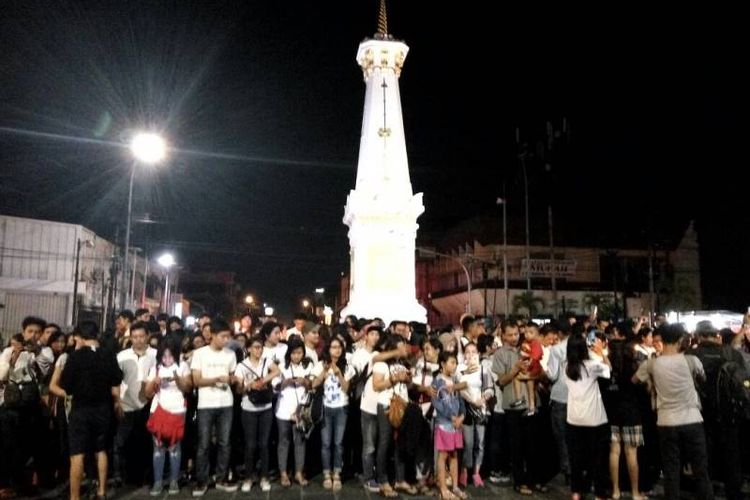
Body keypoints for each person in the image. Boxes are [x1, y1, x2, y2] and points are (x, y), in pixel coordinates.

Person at [633, 323, 713, 500]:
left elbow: (634, 380)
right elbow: (702, 380)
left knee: (671, 470)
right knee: (700, 469)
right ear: (679, 340)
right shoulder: (691, 361)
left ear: (662, 339)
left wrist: (651, 383)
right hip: (692, 419)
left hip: (666, 422)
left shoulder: (651, 364)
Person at [58, 321, 123, 500]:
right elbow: (117, 377)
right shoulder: (108, 354)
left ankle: (75, 496)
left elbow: (66, 385)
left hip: (80, 409)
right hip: (103, 408)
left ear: (80, 336)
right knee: (100, 450)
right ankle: (101, 491)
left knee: (77, 453)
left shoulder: (76, 356)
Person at [190, 319, 239, 496]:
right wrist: (216, 379)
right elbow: (196, 381)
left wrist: (232, 379)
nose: (226, 340)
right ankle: (201, 480)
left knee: (224, 443)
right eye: (223, 336)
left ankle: (221, 478)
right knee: (203, 444)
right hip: (206, 404)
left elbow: (234, 377)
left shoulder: (230, 355)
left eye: (228, 336)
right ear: (212, 335)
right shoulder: (200, 354)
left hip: (226, 403)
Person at [565, 333, 611, 500]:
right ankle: (599, 493)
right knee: (598, 459)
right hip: (594, 419)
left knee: (576, 459)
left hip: (573, 419)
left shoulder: (566, 367)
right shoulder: (591, 366)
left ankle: (576, 492)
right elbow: (608, 370)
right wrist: (602, 352)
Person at [144, 339, 192, 496]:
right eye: (164, 357)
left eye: (170, 356)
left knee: (174, 447)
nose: (167, 360)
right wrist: (155, 382)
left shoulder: (183, 366)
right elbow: (147, 393)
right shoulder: (155, 369)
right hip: (158, 410)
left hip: (177, 410)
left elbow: (187, 388)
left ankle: (174, 480)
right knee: (157, 447)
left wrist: (177, 378)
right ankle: (158, 481)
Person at [234, 334, 279, 493]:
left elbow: (276, 371)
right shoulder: (241, 366)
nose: (258, 350)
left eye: (260, 347)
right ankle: (248, 477)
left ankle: (264, 477)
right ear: (248, 349)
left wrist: (262, 381)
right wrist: (249, 386)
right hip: (248, 408)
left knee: (264, 444)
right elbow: (239, 389)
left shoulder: (266, 361)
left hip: (266, 407)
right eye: (255, 347)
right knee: (250, 444)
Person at [313, 337, 355, 491]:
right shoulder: (321, 365)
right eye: (333, 347)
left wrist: (339, 374)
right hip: (325, 407)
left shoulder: (347, 367)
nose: (336, 350)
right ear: (328, 349)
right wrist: (325, 371)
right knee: (325, 443)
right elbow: (314, 384)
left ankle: (337, 473)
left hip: (341, 408)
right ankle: (326, 474)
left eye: (339, 347)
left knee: (338, 443)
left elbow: (346, 389)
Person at [275, 337, 314, 487]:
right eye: (293, 353)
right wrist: (285, 382)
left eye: (299, 352)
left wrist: (305, 382)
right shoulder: (282, 367)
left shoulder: (308, 365)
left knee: (300, 442)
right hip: (283, 410)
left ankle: (298, 472)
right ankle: (283, 473)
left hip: (301, 411)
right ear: (288, 353)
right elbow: (275, 387)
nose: (296, 356)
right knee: (283, 442)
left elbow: (313, 385)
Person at [432, 350, 466, 500]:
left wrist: (461, 417)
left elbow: (461, 400)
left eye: (455, 363)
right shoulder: (437, 381)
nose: (454, 366)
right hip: (444, 424)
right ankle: (443, 489)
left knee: (454, 455)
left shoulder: (455, 380)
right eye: (452, 363)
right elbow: (437, 403)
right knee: (443, 455)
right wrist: (451, 416)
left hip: (456, 424)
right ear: (442, 364)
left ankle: (455, 486)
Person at [512, 322, 543, 416]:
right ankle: (519, 398)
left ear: (537, 334)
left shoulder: (536, 344)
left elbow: (536, 356)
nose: (527, 334)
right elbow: (522, 352)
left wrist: (529, 363)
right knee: (516, 378)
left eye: (531, 332)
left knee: (530, 386)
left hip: (533, 368)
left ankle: (532, 407)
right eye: (525, 332)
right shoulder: (525, 342)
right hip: (526, 366)